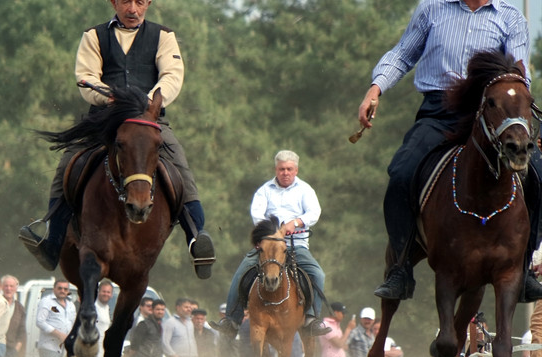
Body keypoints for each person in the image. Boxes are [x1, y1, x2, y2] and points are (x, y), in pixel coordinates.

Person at [357, 0, 542, 302]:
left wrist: (515, 115)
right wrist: (375, 89)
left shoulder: (510, 17)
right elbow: (403, 54)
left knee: (539, 176)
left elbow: (520, 74)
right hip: (438, 113)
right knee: (401, 173)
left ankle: (524, 269)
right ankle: (401, 268)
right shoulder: (432, 9)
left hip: (489, 114)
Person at [18, 0, 216, 280]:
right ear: (114, 2)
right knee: (67, 166)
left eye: (139, 2)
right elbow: (86, 77)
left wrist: (149, 102)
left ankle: (197, 239)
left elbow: (172, 76)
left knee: (181, 169)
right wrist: (108, 96)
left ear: (147, 3)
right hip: (104, 119)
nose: (132, 9)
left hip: (149, 119)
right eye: (125, 1)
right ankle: (52, 240)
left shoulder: (164, 36)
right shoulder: (93, 36)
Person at [210, 150, 329, 337]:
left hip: (295, 244)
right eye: (282, 169)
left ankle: (311, 318)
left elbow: (313, 212)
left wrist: (295, 223)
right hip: (269, 245)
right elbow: (257, 214)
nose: (285, 173)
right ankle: (232, 320)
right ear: (276, 169)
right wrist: (272, 233)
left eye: (289, 169)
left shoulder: (305, 190)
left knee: (318, 274)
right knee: (242, 272)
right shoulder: (264, 190)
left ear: (296, 170)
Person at [35, 279, 76, 357]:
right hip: (49, 346)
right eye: (59, 288)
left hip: (65, 348)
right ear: (54, 289)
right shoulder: (46, 301)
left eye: (65, 289)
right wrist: (59, 334)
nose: (62, 291)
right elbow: (40, 321)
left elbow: (73, 323)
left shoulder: (71, 305)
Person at [2, 275, 27, 357]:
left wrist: (16, 350)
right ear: (2, 287)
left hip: (11, 350)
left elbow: (22, 332)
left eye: (11, 286)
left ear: (16, 289)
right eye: (6, 286)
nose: (8, 288)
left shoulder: (20, 308)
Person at [95, 280, 113, 357]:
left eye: (108, 292)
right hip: (92, 353)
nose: (106, 294)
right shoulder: (93, 307)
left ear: (111, 295)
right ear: (98, 292)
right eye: (104, 291)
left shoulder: (107, 308)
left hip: (103, 353)